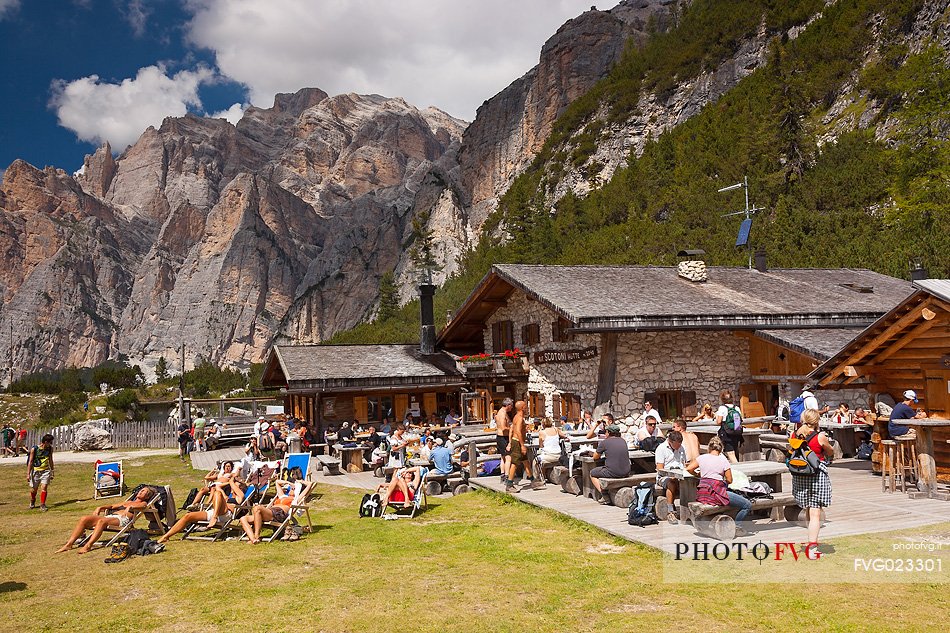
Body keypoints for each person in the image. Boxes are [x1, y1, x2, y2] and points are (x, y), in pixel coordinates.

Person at [685, 436, 753, 536]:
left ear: (709, 448)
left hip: (703, 493)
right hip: (716, 493)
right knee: (746, 504)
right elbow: (729, 480)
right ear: (721, 449)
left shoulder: (701, 458)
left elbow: (689, 468)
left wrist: (698, 474)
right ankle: (738, 526)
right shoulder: (723, 460)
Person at [57, 486, 156, 553]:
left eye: (144, 491)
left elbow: (144, 507)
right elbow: (112, 506)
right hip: (110, 517)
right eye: (141, 490)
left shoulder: (142, 503)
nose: (140, 491)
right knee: (84, 519)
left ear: (147, 496)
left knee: (101, 521)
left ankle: (88, 545)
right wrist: (100, 507)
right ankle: (69, 544)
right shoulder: (128, 501)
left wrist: (132, 508)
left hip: (122, 520)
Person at [791, 409, 834, 552]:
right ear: (817, 421)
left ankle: (811, 539)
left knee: (809, 508)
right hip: (816, 474)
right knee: (815, 511)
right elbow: (830, 451)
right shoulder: (820, 436)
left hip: (800, 473)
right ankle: (813, 546)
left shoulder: (795, 434)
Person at [239, 469, 305, 544]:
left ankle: (256, 536)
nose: (290, 489)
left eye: (293, 489)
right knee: (243, 518)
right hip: (270, 512)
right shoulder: (282, 496)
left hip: (279, 514)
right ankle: (253, 539)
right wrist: (288, 482)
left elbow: (310, 485)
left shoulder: (295, 499)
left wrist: (301, 482)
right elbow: (277, 482)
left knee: (257, 508)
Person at [159, 487, 236, 544]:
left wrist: (232, 482)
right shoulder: (226, 496)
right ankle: (166, 536)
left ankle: (214, 517)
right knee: (188, 516)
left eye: (234, 489)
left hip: (225, 514)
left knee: (217, 493)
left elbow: (234, 505)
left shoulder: (238, 497)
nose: (232, 491)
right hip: (213, 512)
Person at [506, 401, 544, 492]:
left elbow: (513, 429)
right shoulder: (519, 418)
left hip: (517, 441)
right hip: (518, 442)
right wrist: (522, 445)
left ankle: (533, 482)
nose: (527, 408)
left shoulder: (517, 417)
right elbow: (518, 431)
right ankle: (509, 485)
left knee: (526, 462)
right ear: (522, 408)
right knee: (515, 463)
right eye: (525, 406)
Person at [588, 424, 631, 502]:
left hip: (614, 472)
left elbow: (595, 457)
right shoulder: (623, 440)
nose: (605, 434)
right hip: (626, 471)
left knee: (592, 473)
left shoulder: (605, 442)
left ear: (609, 432)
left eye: (606, 432)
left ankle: (604, 495)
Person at [655, 430, 686, 523]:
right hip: (664, 476)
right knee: (671, 483)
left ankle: (688, 510)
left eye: (679, 445)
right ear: (670, 442)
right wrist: (672, 475)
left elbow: (684, 463)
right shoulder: (661, 449)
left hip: (679, 474)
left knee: (691, 483)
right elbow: (660, 469)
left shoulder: (681, 448)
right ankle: (670, 511)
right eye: (676, 446)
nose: (678, 448)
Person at [28, 434, 55, 511]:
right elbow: (30, 461)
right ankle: (33, 500)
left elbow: (50, 460)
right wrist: (28, 474)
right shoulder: (35, 449)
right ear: (45, 442)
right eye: (50, 442)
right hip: (35, 471)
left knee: (44, 487)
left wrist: (52, 471)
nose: (51, 444)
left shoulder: (50, 449)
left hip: (45, 471)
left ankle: (42, 504)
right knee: (34, 489)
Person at [715, 390, 743, 463]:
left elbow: (719, 422)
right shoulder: (736, 408)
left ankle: (738, 469)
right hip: (737, 431)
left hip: (726, 433)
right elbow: (740, 420)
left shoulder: (722, 408)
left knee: (730, 453)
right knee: (735, 450)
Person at [495, 398, 514, 485]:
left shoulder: (501, 412)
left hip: (500, 437)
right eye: (511, 406)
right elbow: (503, 427)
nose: (512, 408)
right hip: (503, 437)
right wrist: (512, 429)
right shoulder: (502, 414)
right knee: (508, 457)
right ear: (508, 405)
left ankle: (502, 475)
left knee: (503, 457)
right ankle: (507, 477)